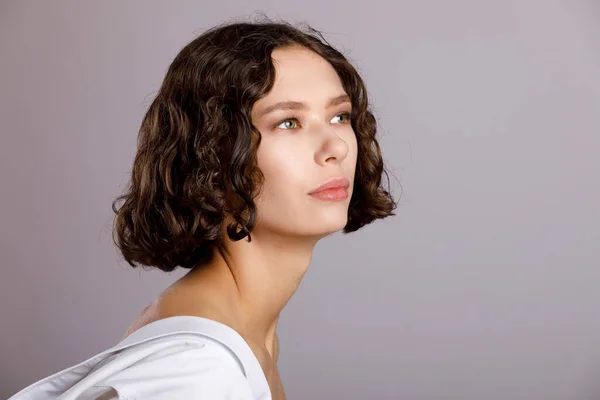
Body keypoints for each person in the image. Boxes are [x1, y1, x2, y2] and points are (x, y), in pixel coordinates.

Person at [9, 18, 396, 400]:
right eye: (288, 122)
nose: (337, 147)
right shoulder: (199, 372)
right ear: (211, 154)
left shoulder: (242, 338)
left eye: (339, 116)